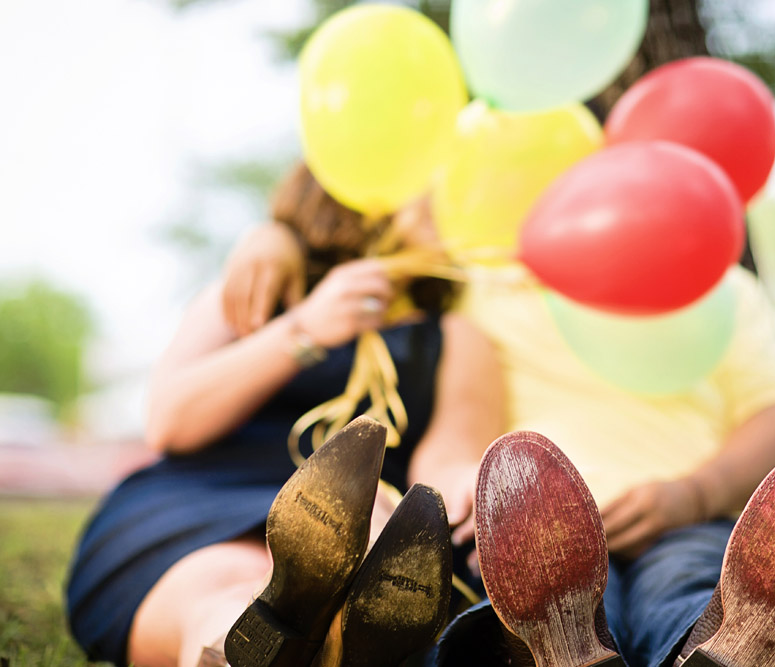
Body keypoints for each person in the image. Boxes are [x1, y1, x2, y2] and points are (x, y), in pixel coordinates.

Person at [219, 221, 775, 666]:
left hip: (684, 511)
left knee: (688, 574)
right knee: (537, 586)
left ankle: (723, 644)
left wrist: (692, 494)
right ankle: (694, 647)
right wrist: (275, 234)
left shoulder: (717, 288)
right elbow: (367, 255)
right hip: (532, 522)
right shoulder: (475, 277)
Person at [64, 162, 505, 667]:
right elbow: (171, 421)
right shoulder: (259, 288)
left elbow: (449, 456)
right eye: (430, 175)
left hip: (371, 524)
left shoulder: (455, 337)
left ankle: (287, 632)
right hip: (205, 500)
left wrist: (461, 493)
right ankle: (254, 642)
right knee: (225, 586)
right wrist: (305, 328)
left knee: (343, 546)